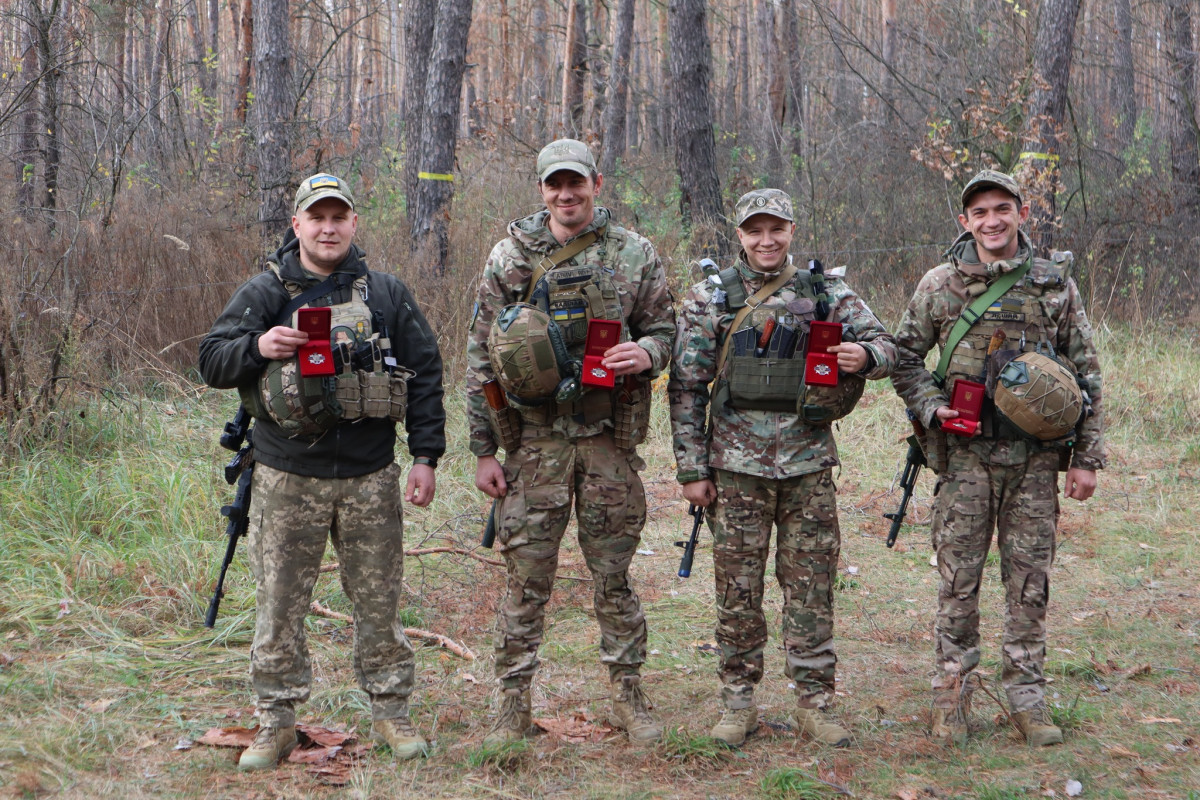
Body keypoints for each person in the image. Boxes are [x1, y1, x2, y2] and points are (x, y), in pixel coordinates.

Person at [198, 173, 446, 769]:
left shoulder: (385, 292)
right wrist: (259, 348)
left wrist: (426, 457)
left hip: (370, 476)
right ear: (298, 225)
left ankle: (390, 713)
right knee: (279, 605)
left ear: (354, 224)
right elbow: (210, 360)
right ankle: (276, 723)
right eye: (317, 217)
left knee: (379, 602)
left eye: (339, 217)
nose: (328, 227)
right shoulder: (265, 292)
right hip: (288, 477)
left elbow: (425, 372)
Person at [668, 188, 898, 747]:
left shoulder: (827, 292)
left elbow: (889, 347)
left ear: (792, 230)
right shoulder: (710, 298)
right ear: (739, 234)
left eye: (776, 229)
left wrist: (863, 357)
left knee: (812, 592)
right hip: (735, 474)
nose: (766, 241)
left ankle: (814, 704)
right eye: (754, 230)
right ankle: (738, 703)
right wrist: (691, 470)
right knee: (738, 593)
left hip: (808, 469)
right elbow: (686, 388)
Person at [465, 139, 675, 745]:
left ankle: (629, 694)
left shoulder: (634, 253)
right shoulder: (510, 257)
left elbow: (667, 327)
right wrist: (484, 450)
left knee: (613, 574)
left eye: (576, 183)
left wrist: (648, 351)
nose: (566, 195)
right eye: (555, 185)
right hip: (534, 445)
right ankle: (512, 703)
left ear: (596, 184)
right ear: (541, 190)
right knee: (526, 576)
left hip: (608, 438)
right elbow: (480, 356)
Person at [891, 169, 1105, 746]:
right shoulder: (940, 284)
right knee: (958, 581)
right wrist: (933, 409)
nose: (992, 221)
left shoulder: (1054, 284)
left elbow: (1086, 373)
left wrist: (1086, 457)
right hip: (963, 460)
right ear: (965, 221)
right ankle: (951, 697)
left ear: (1021, 212)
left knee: (1029, 582)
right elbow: (904, 357)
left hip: (1035, 462)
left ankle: (1027, 699)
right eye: (980, 212)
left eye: (1002, 209)